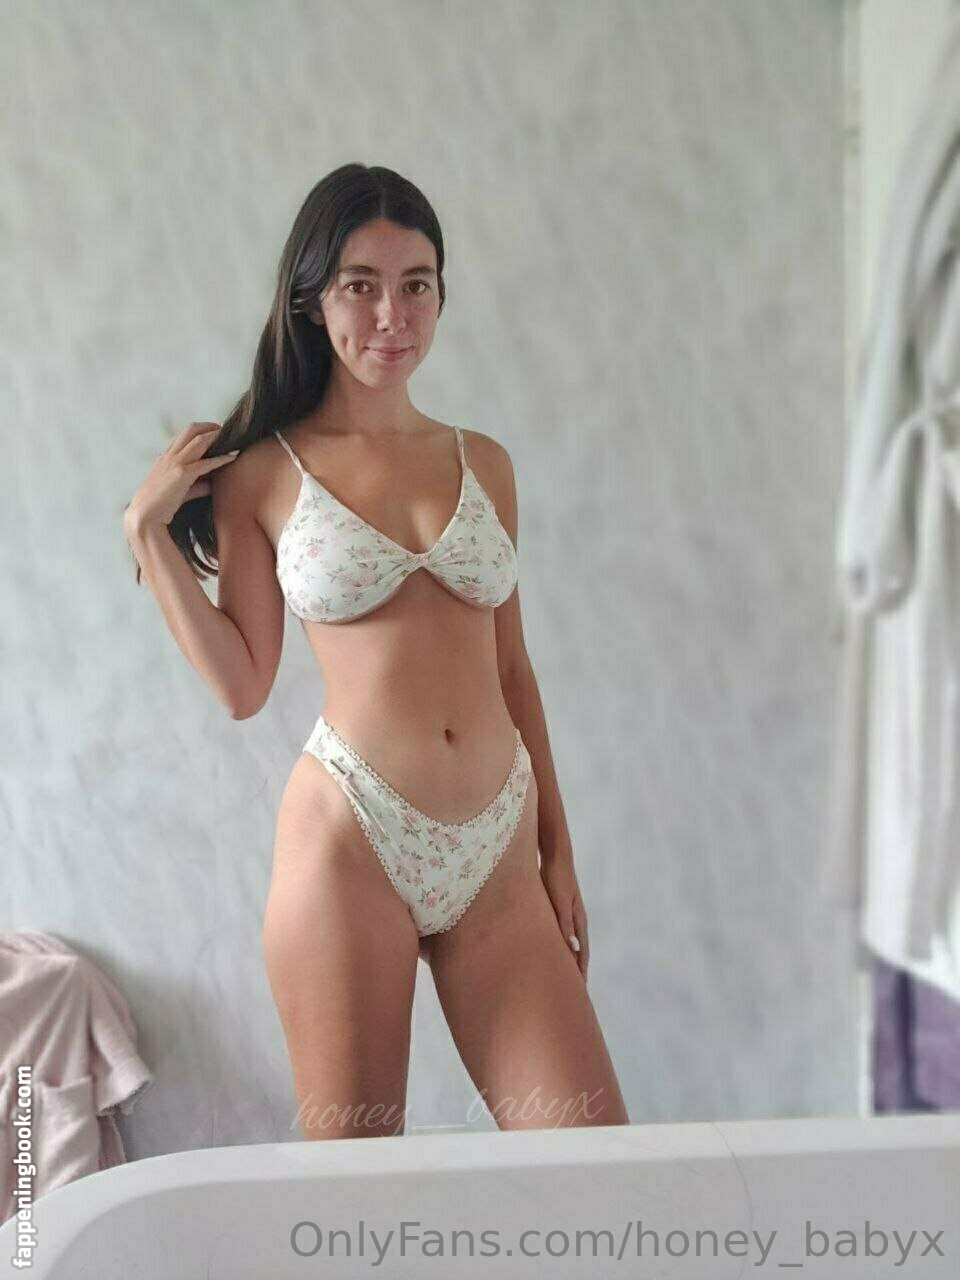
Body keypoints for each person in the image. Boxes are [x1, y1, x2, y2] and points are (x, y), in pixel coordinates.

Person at [123, 164, 628, 1140]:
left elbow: (513, 671)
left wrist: (558, 851)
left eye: (417, 284)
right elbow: (243, 684)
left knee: (593, 1164)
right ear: (313, 299)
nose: (392, 315)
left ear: (441, 294)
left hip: (499, 852)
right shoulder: (262, 474)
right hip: (350, 841)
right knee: (356, 1182)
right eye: (361, 285)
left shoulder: (485, 462)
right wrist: (149, 536)